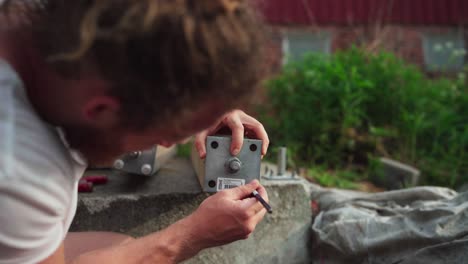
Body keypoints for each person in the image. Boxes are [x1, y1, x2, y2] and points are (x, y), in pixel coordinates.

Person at [0, 0, 271, 263]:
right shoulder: (20, 169)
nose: (168, 143)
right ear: (101, 110)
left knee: (116, 246)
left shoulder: (49, 21)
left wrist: (205, 96)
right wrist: (191, 235)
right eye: (166, 134)